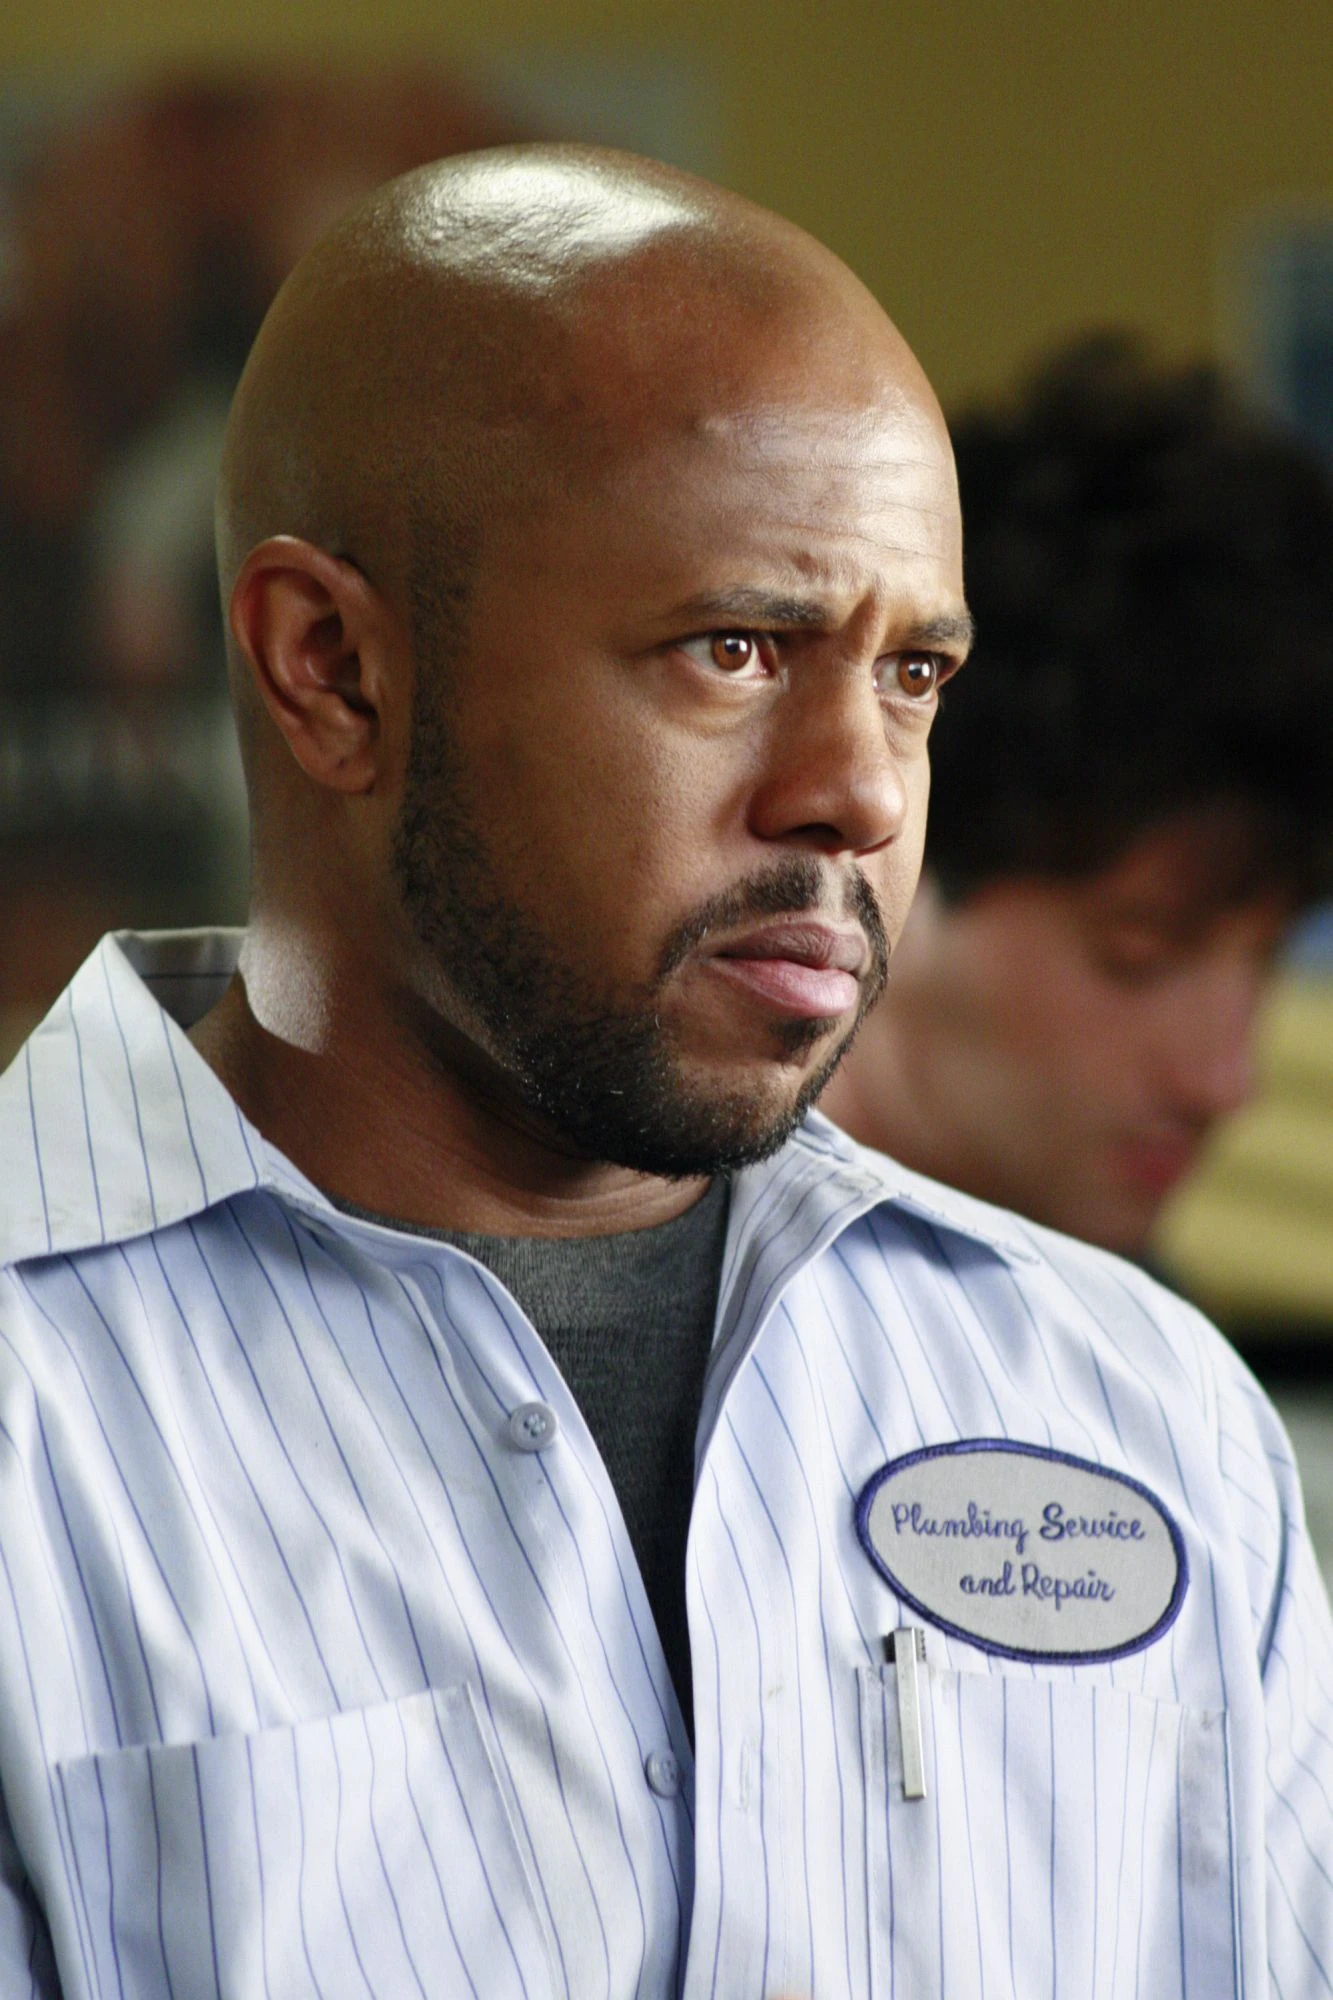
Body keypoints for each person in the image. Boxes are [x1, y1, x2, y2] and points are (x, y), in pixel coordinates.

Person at [1, 149, 1329, 1999]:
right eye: (735, 648)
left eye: (914, 675)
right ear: (334, 671)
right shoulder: (38, 1422)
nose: (860, 793)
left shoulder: (1139, 1415)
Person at [820, 336, 1333, 1256]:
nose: (1223, 1082)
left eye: (1261, 962)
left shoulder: (1142, 1328)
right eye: (1137, 955)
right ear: (890, 848)